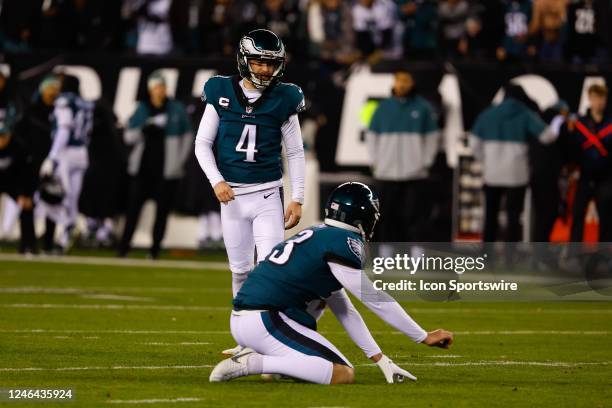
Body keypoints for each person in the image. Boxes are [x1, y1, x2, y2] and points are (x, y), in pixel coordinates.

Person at [209, 182, 454, 384]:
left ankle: (270, 361)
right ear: (362, 218)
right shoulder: (344, 242)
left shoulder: (319, 234)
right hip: (266, 320)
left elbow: (343, 308)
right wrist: (422, 336)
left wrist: (380, 359)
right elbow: (375, 298)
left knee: (324, 305)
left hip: (246, 319)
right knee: (342, 373)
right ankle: (254, 362)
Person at [470, 84, 563, 243]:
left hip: (492, 174)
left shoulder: (488, 114)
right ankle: (511, 258)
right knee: (514, 218)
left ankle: (486, 257)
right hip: (517, 175)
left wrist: (486, 160)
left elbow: (474, 144)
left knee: (490, 216)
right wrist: (558, 122)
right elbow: (548, 137)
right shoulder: (525, 114)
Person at [118, 70, 193, 258]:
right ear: (150, 90)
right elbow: (128, 137)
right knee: (133, 211)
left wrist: (178, 163)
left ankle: (154, 250)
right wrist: (145, 127)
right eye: (155, 87)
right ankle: (123, 249)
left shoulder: (176, 109)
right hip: (142, 170)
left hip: (166, 171)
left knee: (161, 214)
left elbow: (187, 138)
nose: (159, 91)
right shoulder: (142, 109)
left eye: (162, 87)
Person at [366, 70, 439, 242]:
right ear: (393, 84)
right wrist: (377, 162)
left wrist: (425, 162)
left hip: (415, 174)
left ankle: (416, 254)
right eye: (398, 81)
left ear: (412, 83)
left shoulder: (423, 108)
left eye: (405, 81)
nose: (402, 85)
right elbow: (371, 137)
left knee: (415, 215)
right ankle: (385, 255)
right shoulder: (383, 108)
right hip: (386, 173)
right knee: (385, 216)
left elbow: (432, 138)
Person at [39, 75, 94, 252]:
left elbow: (64, 128)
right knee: (72, 197)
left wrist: (52, 156)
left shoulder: (64, 101)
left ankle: (68, 225)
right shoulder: (85, 103)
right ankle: (64, 237)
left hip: (66, 152)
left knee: (54, 194)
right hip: (82, 152)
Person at [14, 75, 61, 252]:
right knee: (27, 202)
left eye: (55, 89)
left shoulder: (60, 110)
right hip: (32, 162)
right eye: (49, 88)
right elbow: (20, 134)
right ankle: (28, 242)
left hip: (53, 163)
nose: (52, 92)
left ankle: (48, 243)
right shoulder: (32, 110)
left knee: (52, 202)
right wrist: (26, 156)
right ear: (42, 90)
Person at [563, 84, 612, 242]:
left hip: (606, 178)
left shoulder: (610, 124)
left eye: (602, 98)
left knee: (606, 218)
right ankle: (574, 255)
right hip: (584, 177)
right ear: (589, 99)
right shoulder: (579, 124)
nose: (599, 102)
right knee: (577, 215)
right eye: (596, 98)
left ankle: (604, 258)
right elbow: (571, 149)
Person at [0, 122, 37, 253]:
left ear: (9, 135)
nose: (1, 140)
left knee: (27, 207)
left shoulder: (19, 148)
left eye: (3, 136)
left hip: (14, 184)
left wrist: (25, 195)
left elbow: (27, 174)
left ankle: (28, 246)